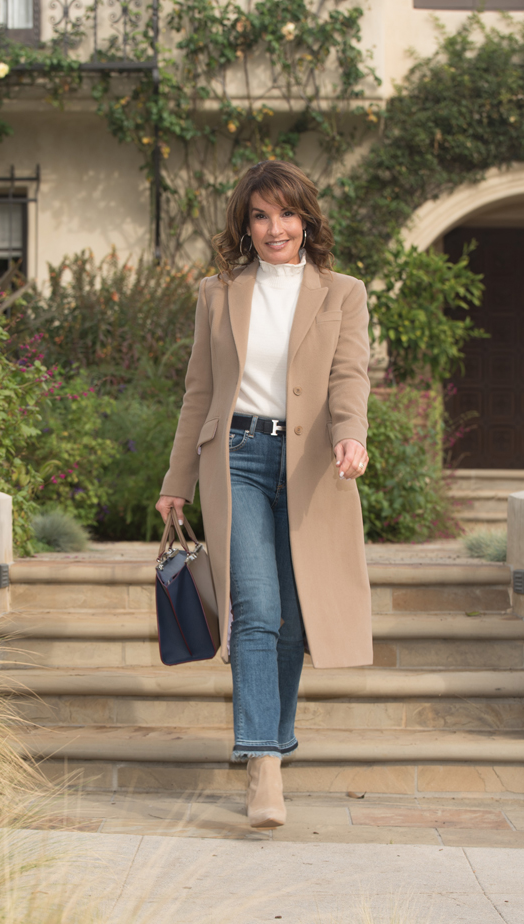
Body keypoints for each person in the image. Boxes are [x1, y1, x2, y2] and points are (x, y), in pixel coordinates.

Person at [156, 160, 372, 829]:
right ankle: (263, 766)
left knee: (293, 616)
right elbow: (199, 391)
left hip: (311, 465)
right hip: (238, 459)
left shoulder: (342, 292)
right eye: (260, 215)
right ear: (244, 225)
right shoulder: (218, 293)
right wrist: (175, 481)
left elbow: (349, 375)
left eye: (286, 213)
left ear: (306, 217)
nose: (274, 227)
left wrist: (351, 434)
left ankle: (273, 739)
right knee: (254, 604)